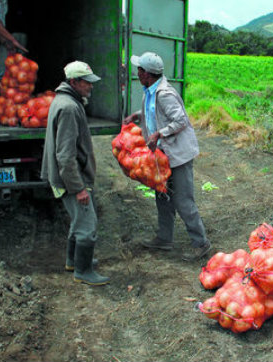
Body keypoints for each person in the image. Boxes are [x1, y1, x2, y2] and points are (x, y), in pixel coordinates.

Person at [123, 52, 211, 261]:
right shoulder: (150, 91)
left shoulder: (165, 94)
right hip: (162, 154)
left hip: (178, 155)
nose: (137, 73)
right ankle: (164, 238)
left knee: (182, 199)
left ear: (146, 73)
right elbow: (154, 111)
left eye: (139, 70)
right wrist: (137, 116)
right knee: (162, 195)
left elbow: (180, 120)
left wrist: (159, 133)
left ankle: (201, 243)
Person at [41, 61, 109, 286]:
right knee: (88, 225)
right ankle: (83, 271)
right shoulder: (69, 108)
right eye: (86, 82)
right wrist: (78, 188)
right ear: (74, 82)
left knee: (78, 220)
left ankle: (73, 260)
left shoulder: (65, 101)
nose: (90, 86)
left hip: (68, 176)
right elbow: (65, 155)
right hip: (71, 179)